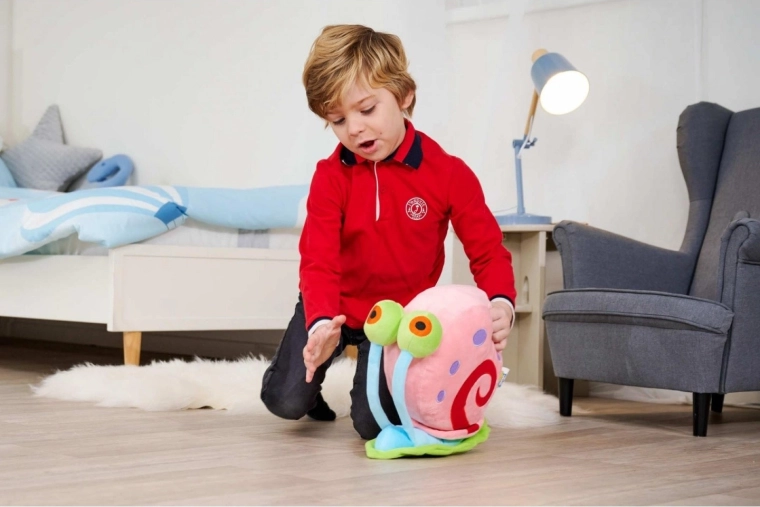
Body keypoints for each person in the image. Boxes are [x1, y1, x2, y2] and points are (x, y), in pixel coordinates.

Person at [261, 24, 516, 439]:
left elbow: (487, 250)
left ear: (404, 95)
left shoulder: (449, 174)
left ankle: (365, 384)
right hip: (333, 306)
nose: (354, 129)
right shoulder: (330, 177)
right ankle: (308, 393)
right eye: (338, 120)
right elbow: (318, 260)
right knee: (284, 401)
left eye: (366, 110)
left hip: (394, 318)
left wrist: (501, 301)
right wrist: (321, 322)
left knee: (372, 425)